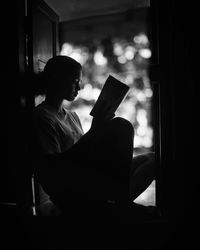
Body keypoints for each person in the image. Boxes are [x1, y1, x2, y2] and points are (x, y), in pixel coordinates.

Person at [32, 55, 155, 217]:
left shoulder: (72, 116)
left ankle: (119, 202)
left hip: (88, 178)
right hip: (71, 189)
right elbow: (54, 169)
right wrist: (95, 132)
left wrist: (98, 134)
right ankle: (120, 204)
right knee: (121, 126)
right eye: (75, 81)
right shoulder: (42, 116)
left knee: (152, 159)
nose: (80, 87)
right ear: (58, 80)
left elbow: (84, 153)